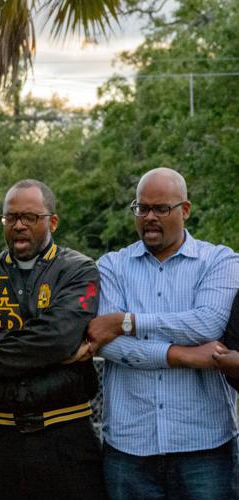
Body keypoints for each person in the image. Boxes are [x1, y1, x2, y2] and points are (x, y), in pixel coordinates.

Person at [87, 167, 239, 499]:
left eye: (161, 209)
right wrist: (181, 354)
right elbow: (106, 344)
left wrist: (126, 322)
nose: (149, 217)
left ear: (185, 210)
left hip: (204, 446)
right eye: (142, 208)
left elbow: (207, 325)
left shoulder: (219, 261)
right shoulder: (112, 266)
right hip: (129, 448)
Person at [0, 179, 105, 500]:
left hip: (65, 440)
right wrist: (47, 350)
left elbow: (58, 335)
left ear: (53, 221)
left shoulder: (78, 270)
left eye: (30, 217)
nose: (19, 225)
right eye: (11, 217)